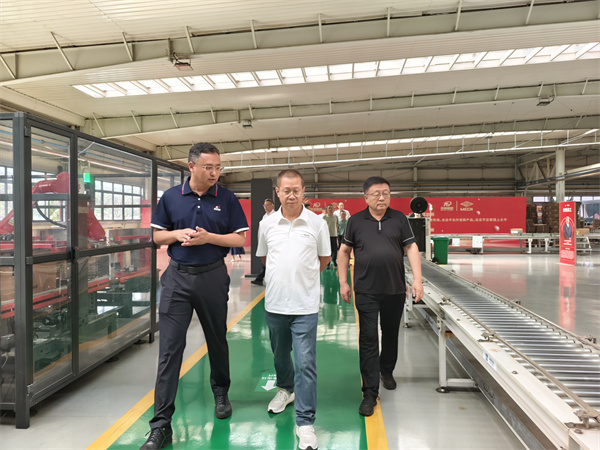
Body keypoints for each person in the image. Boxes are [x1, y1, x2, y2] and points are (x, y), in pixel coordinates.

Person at [141, 143, 249, 450]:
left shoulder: (226, 198)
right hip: (176, 279)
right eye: (208, 167)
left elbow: (239, 237)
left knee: (217, 339)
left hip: (212, 276)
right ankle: (161, 425)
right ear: (191, 167)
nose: (215, 173)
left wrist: (208, 238)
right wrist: (176, 234)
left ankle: (221, 392)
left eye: (218, 168)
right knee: (169, 349)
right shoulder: (171, 197)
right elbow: (157, 236)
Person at [337, 176, 424, 417]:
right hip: (366, 289)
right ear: (366, 197)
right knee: (368, 339)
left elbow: (411, 247)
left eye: (386, 193)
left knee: (390, 333)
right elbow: (343, 251)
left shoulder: (399, 219)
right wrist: (343, 282)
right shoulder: (355, 221)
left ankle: (386, 371)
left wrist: (417, 280)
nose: (382, 197)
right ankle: (369, 392)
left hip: (394, 289)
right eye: (376, 194)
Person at [256, 169, 331, 450]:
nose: (291, 195)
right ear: (277, 192)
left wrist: (304, 279)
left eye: (296, 190)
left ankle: (305, 422)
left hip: (305, 306)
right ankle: (286, 390)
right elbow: (265, 258)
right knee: (280, 355)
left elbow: (324, 258)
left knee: (306, 362)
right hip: (275, 303)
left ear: (303, 192)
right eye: (286, 190)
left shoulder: (317, 223)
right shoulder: (267, 223)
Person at [251, 199, 276, 286]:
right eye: (264, 205)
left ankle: (261, 278)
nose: (266, 207)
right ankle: (260, 278)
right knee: (265, 260)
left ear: (272, 206)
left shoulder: (275, 216)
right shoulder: (265, 216)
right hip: (263, 241)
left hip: (271, 242)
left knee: (270, 261)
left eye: (268, 205)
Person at [322, 204, 339, 268]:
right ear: (327, 209)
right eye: (329, 208)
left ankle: (334, 261)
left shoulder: (336, 217)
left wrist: (336, 233)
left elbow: (337, 225)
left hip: (334, 235)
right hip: (326, 236)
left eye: (331, 208)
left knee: (334, 250)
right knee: (328, 250)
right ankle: (328, 263)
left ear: (333, 209)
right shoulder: (324, 217)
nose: (330, 209)